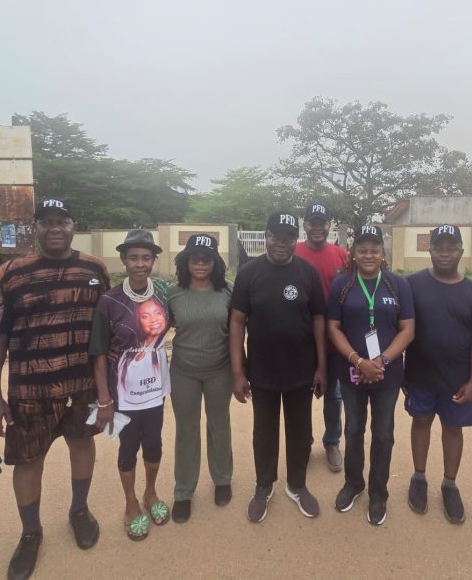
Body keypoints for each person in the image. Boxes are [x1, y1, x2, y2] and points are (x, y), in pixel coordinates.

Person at [0, 199, 110, 580]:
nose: (55, 228)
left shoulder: (94, 268)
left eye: (63, 221)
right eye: (46, 222)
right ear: (35, 227)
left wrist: (107, 389)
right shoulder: (11, 273)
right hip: (30, 389)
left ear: (73, 225)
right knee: (28, 461)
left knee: (82, 445)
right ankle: (30, 533)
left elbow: (105, 327)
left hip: (82, 384)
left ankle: (79, 510)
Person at [230, 211, 327, 523]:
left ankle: (297, 485)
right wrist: (237, 371)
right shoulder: (248, 273)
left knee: (301, 433)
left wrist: (322, 367)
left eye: (288, 237)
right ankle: (263, 486)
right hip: (262, 370)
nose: (281, 243)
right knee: (264, 433)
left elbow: (319, 321)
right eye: (275, 236)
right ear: (266, 236)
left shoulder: (308, 273)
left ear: (294, 239)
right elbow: (236, 322)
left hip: (301, 369)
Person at [328, 225, 414, 525]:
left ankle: (379, 492)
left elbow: (408, 328)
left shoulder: (397, 285)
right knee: (352, 430)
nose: (368, 255)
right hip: (350, 371)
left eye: (374, 249)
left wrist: (381, 360)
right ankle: (353, 484)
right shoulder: (341, 285)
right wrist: (357, 360)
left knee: (383, 434)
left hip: (387, 374)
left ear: (382, 253)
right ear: (353, 253)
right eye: (362, 249)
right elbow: (333, 328)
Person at [404, 224, 472, 523]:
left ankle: (450, 484)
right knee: (421, 422)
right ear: (430, 250)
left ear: (461, 251)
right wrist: (403, 374)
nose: (444, 252)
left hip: (458, 379)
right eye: (439, 246)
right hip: (420, 375)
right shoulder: (411, 284)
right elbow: (402, 328)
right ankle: (419, 478)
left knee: (453, 429)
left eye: (451, 247)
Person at [90, 229, 171, 541]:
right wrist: (103, 399)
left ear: (153, 260)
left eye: (146, 257)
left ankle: (150, 493)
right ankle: (131, 504)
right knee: (128, 447)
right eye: (134, 257)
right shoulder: (108, 301)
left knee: (154, 442)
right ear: (123, 259)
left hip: (155, 388)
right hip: (122, 391)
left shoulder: (163, 293)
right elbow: (98, 353)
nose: (140, 263)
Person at [167, 233, 234, 524]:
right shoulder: (173, 293)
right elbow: (154, 329)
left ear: (215, 262)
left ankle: (222, 479)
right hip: (184, 371)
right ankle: (183, 492)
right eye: (195, 257)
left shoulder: (229, 292)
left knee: (219, 425)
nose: (201, 263)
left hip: (220, 369)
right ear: (186, 260)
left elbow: (238, 331)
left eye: (207, 258)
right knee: (186, 430)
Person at [294, 202, 349, 472]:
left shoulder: (342, 256)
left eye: (322, 222)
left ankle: (331, 442)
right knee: (302, 393)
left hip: (334, 340)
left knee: (334, 396)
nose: (317, 227)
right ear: (305, 225)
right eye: (312, 222)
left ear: (329, 225)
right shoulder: (294, 252)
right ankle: (303, 441)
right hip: (302, 340)